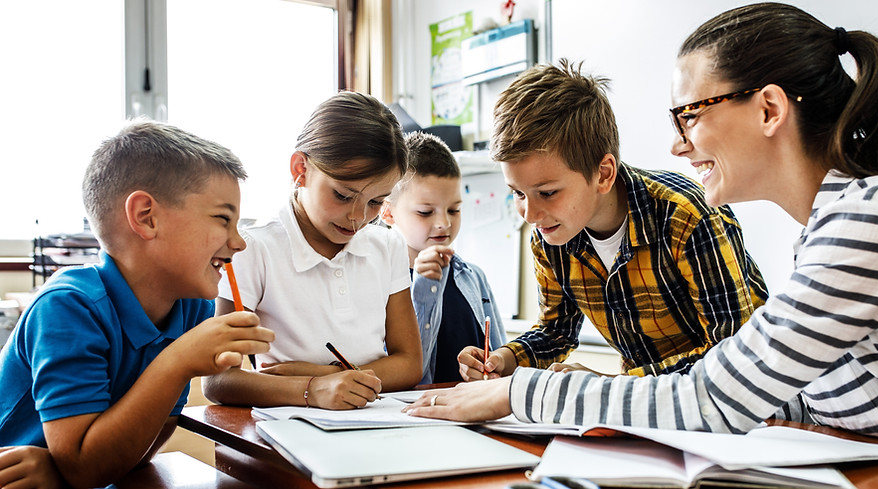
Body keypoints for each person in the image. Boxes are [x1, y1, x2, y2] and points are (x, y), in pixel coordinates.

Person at [405, 2, 878, 447]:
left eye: (690, 116)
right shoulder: (839, 220)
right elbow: (796, 397)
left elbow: (713, 397)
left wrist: (518, 392)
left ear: (769, 110)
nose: (677, 144)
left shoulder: (869, 221)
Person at [0, 120, 275, 488]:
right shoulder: (68, 307)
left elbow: (138, 452)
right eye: (223, 219)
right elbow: (85, 469)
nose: (238, 243)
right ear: (147, 217)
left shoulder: (191, 309)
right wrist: (178, 362)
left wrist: (65, 472)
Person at [455, 59, 768, 382]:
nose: (530, 215)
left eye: (547, 193)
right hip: (645, 405)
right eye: (518, 194)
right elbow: (556, 331)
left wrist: (611, 385)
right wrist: (503, 360)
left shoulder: (684, 215)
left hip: (748, 406)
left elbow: (732, 353)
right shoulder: (552, 233)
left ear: (603, 174)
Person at [202, 92, 423, 410]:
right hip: (287, 429)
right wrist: (312, 389)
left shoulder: (387, 245)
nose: (358, 217)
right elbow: (219, 380)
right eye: (343, 195)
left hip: (373, 422)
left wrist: (326, 375)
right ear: (300, 169)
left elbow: (410, 365)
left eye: (376, 201)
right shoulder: (253, 250)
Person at [380, 131, 507, 384]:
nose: (444, 223)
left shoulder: (473, 276)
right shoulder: (380, 282)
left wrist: (495, 367)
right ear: (387, 212)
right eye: (426, 212)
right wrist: (424, 288)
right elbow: (404, 376)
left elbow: (501, 355)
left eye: (454, 209)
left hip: (472, 412)